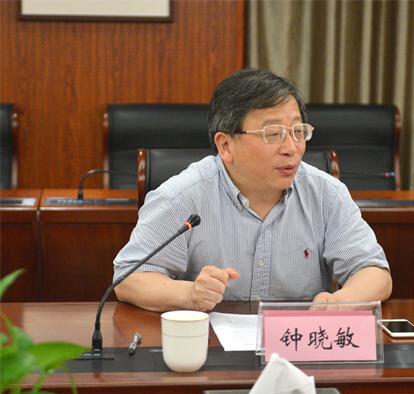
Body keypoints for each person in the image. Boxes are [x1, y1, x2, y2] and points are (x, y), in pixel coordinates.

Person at [113, 68, 392, 312]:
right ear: (225, 146)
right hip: (210, 348)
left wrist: (342, 302)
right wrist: (190, 294)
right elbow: (128, 279)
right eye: (272, 134)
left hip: (297, 345)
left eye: (298, 132)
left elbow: (374, 272)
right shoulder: (181, 197)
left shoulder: (326, 194)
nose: (291, 148)